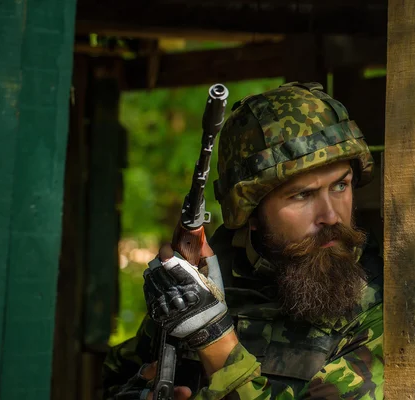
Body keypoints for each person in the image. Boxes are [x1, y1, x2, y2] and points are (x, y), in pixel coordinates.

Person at [102, 82, 384, 399]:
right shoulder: (214, 279)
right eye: (303, 195)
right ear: (249, 212)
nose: (331, 216)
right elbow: (115, 373)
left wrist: (213, 337)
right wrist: (138, 387)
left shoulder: (383, 307)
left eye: (340, 186)